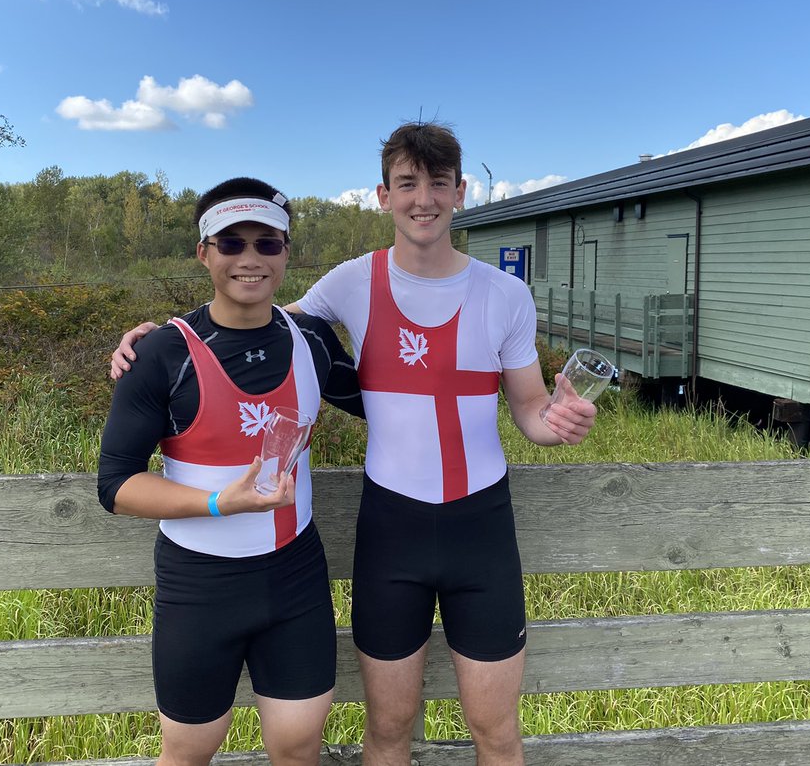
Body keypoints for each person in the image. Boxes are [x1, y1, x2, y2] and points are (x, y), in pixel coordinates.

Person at [112, 123, 597, 766]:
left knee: (498, 733)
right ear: (383, 195)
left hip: (481, 530)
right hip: (390, 530)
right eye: (406, 184)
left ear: (460, 193)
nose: (422, 199)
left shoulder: (506, 295)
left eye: (437, 184)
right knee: (388, 730)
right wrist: (149, 341)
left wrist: (557, 421)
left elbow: (530, 409)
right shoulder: (347, 284)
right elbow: (255, 319)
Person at [98, 177, 364, 766]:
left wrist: (520, 382)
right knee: (188, 752)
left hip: (294, 575)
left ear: (288, 251)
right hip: (200, 586)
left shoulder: (312, 340)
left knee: (298, 746)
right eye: (231, 243)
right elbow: (115, 486)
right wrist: (221, 502)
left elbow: (391, 397)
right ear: (204, 253)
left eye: (268, 244)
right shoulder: (161, 354)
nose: (250, 259)